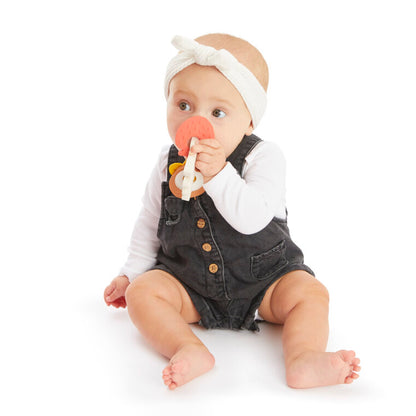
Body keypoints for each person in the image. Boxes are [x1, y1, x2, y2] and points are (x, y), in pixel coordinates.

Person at [103, 34, 361, 390]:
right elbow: (150, 222)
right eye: (183, 105)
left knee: (310, 293)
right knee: (143, 294)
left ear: (249, 122)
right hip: (190, 286)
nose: (197, 122)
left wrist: (218, 173)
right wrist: (131, 273)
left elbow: (252, 217)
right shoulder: (168, 162)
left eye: (218, 112)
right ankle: (188, 348)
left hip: (267, 283)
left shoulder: (263, 157)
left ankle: (303, 357)